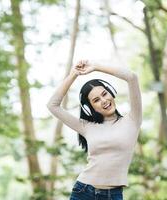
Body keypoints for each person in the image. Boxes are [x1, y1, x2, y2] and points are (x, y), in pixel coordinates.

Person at [47, 60, 142, 200]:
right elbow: (52, 105)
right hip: (83, 191)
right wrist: (74, 74)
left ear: (111, 93)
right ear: (91, 108)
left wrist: (96, 67)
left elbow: (132, 77)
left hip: (113, 195)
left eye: (104, 94)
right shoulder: (87, 127)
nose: (103, 100)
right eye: (96, 100)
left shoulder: (133, 120)